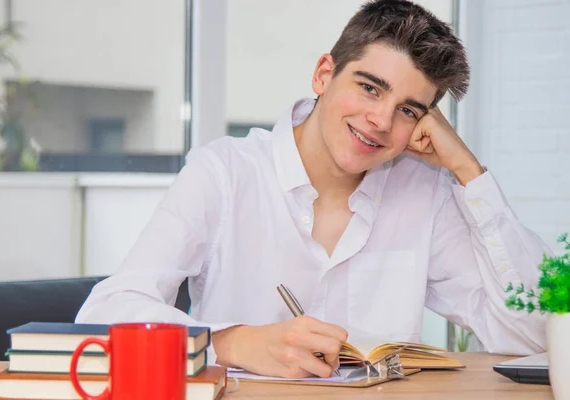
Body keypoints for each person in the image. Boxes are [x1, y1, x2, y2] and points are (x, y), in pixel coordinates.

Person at [76, 0, 550, 379]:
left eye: (408, 110)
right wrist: (235, 342)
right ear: (324, 73)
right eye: (370, 88)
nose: (381, 121)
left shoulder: (424, 193)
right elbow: (105, 313)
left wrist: (468, 170)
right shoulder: (224, 171)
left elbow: (534, 333)